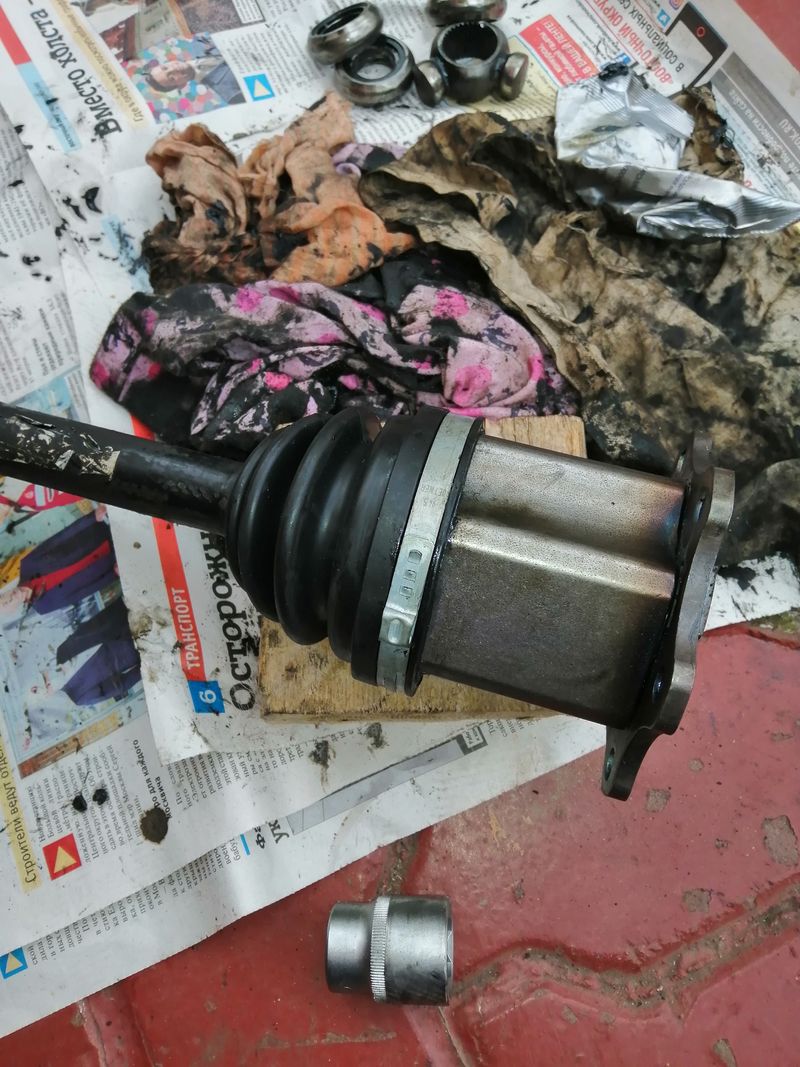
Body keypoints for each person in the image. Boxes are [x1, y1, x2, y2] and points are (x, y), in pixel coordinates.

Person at [144, 55, 244, 104]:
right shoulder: (229, 93)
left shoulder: (201, 41)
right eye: (172, 78)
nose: (173, 69)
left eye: (165, 67)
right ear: (181, 85)